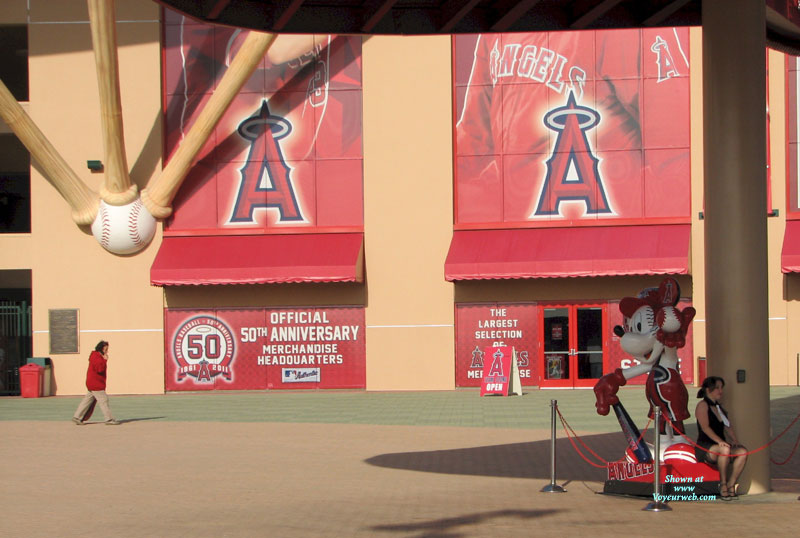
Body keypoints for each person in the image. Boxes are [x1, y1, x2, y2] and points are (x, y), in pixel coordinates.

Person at [695, 376, 747, 499]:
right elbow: (705, 428)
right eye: (717, 388)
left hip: (721, 445)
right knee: (725, 450)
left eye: (721, 388)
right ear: (708, 390)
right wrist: (720, 442)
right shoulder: (702, 405)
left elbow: (728, 426)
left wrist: (734, 440)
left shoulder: (719, 407)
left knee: (742, 452)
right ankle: (722, 484)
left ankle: (731, 484)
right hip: (705, 446)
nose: (721, 391)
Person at [71, 341, 120, 425]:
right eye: (105, 349)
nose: (107, 351)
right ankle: (109, 419)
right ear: (101, 348)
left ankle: (77, 417)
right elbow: (100, 369)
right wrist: (105, 360)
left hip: (92, 383)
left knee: (87, 401)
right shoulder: (97, 357)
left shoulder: (95, 356)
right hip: (96, 383)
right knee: (103, 400)